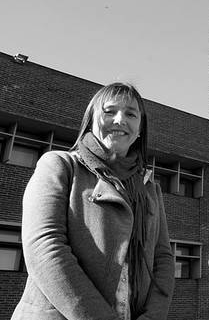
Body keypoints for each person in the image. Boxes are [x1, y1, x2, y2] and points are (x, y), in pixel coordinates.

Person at [12, 83, 174, 320]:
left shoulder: (150, 189)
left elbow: (163, 259)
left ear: (139, 129)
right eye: (109, 111)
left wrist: (152, 316)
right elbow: (44, 247)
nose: (120, 120)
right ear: (91, 119)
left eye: (131, 113)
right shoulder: (59, 165)